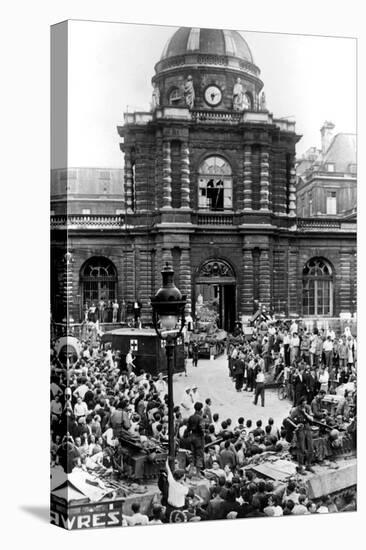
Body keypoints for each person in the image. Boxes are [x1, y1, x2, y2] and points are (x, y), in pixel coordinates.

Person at [288, 396, 315, 473]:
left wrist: (305, 413)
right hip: (300, 430)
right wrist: (296, 425)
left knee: (311, 448)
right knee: (301, 449)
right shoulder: (295, 410)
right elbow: (289, 419)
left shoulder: (307, 408)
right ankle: (300, 467)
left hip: (307, 427)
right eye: (302, 404)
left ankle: (308, 465)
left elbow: (312, 419)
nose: (304, 405)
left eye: (305, 403)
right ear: (300, 404)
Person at [186, 401, 205, 472]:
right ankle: (198, 473)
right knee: (199, 455)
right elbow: (202, 429)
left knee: (192, 454)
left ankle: (191, 470)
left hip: (192, 437)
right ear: (200, 409)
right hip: (199, 438)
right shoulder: (200, 418)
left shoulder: (191, 417)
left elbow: (187, 428)